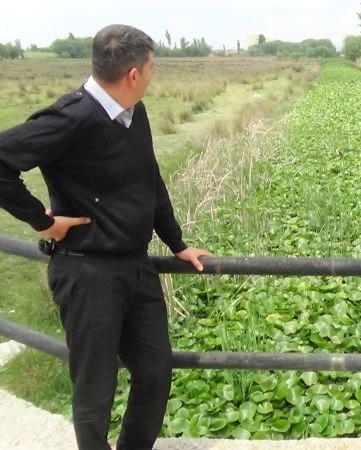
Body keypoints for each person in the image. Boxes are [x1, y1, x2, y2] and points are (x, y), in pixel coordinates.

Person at [0, 24, 211, 450]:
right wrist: (42, 222)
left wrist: (176, 242)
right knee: (95, 391)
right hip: (86, 271)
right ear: (134, 73)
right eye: (151, 67)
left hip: (136, 266)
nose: (153, 75)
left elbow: (149, 180)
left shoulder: (136, 113)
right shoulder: (72, 116)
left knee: (154, 373)